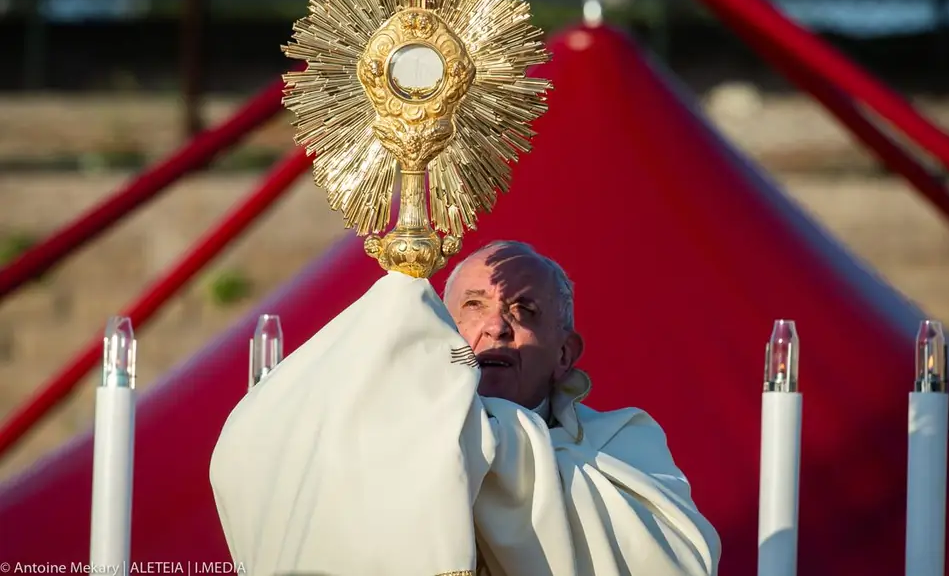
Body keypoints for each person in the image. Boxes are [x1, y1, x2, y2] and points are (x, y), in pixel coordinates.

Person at [209, 240, 721, 576]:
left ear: (564, 354)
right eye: (473, 305)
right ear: (438, 331)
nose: (496, 327)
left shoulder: (623, 445)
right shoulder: (376, 436)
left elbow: (680, 562)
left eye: (525, 311)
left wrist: (490, 442)